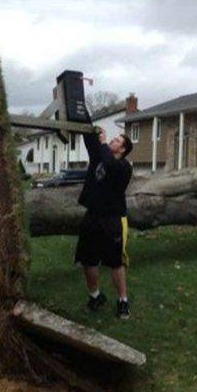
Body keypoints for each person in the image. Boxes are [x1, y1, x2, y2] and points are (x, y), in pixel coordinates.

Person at [75, 128, 133, 319]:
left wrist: (102, 143)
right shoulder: (100, 155)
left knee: (116, 263)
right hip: (92, 216)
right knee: (88, 259)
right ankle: (95, 296)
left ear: (122, 149)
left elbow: (109, 163)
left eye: (116, 141)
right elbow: (89, 140)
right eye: (112, 139)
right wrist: (90, 128)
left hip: (112, 219)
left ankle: (123, 301)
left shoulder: (124, 167)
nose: (111, 141)